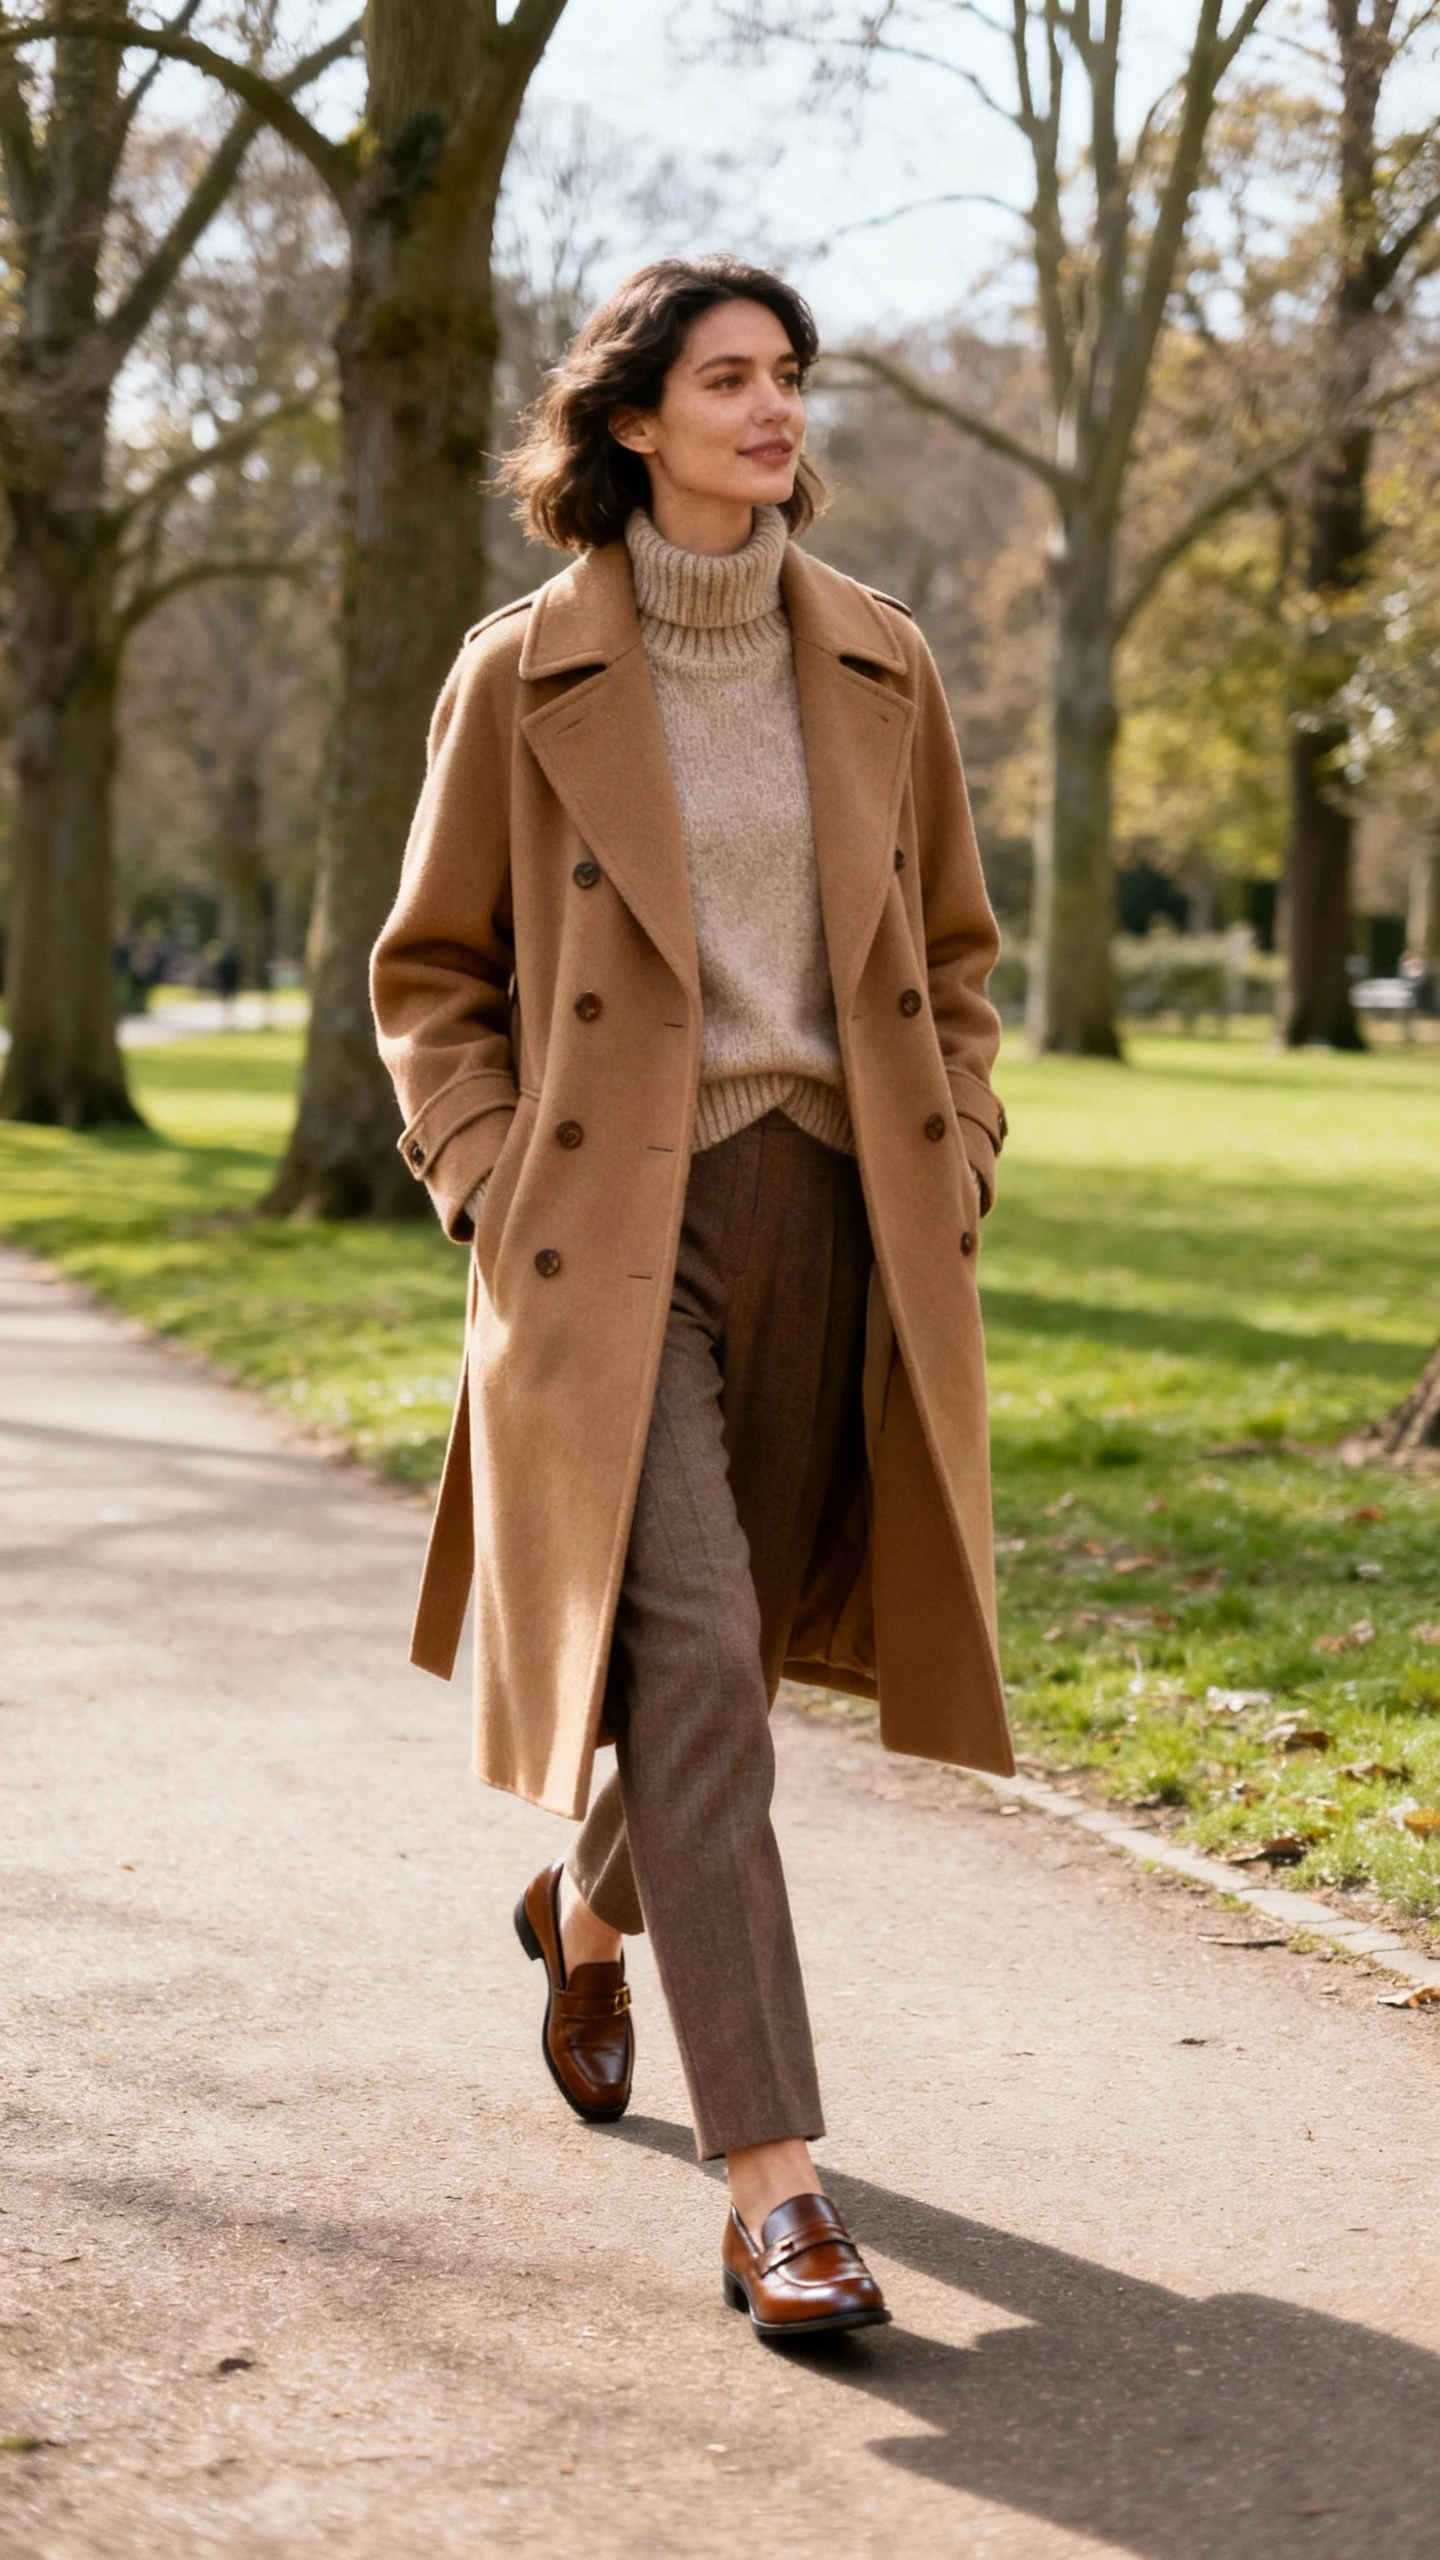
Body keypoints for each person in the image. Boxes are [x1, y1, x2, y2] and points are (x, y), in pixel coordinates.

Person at [371, 256, 1014, 2344]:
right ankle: (779, 2192)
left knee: (739, 1664)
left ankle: (584, 1900)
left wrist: (965, 1149)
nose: (773, 408)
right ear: (632, 417)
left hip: (842, 1213)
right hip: (608, 1233)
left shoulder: (881, 663)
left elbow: (962, 956)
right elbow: (431, 982)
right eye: (728, 378)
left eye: (789, 377)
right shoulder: (521, 673)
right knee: (709, 1650)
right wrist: (485, 1180)